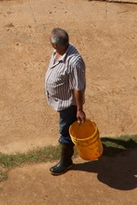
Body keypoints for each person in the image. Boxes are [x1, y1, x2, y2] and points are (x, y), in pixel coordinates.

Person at [44, 28, 86, 175]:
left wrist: (79, 109)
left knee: (66, 131)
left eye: (50, 40)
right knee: (66, 127)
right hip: (59, 100)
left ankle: (66, 162)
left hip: (68, 104)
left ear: (55, 45)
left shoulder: (74, 63)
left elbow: (78, 88)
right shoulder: (59, 50)